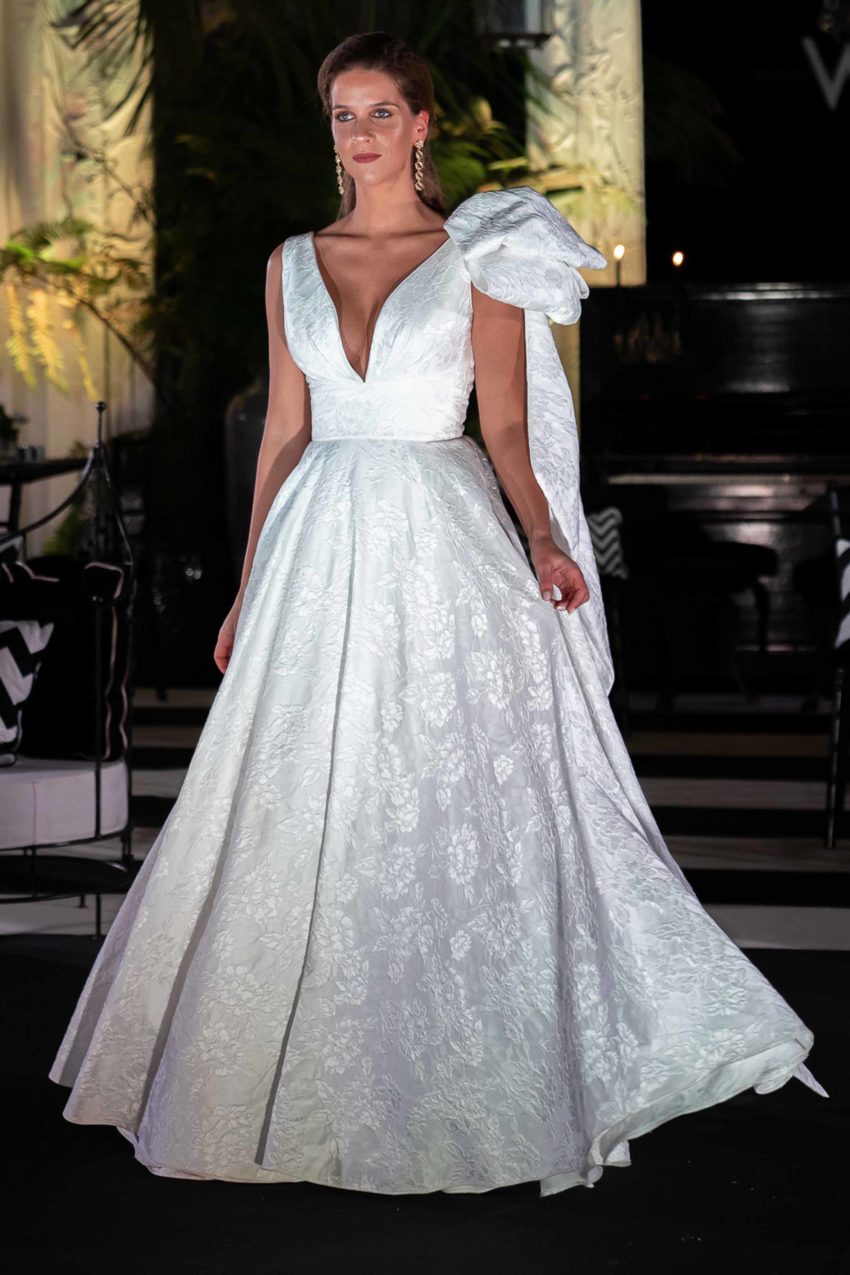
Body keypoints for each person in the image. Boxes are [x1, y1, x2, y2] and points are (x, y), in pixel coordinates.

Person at [48, 31, 828, 1197]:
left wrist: (545, 535)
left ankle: (476, 1066)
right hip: (318, 543)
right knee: (302, 791)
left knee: (448, 790)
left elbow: (503, 426)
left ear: (419, 126)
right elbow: (284, 430)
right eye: (342, 115)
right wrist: (249, 582)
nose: (358, 134)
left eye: (380, 113)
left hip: (442, 537)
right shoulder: (289, 262)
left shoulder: (481, 255)